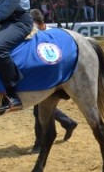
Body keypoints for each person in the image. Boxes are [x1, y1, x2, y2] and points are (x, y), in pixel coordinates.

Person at [29, 9, 78, 153]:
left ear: (41, 24)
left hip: (54, 78)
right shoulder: (36, 35)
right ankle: (68, 123)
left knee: (39, 110)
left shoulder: (51, 36)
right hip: (43, 78)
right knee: (40, 109)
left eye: (33, 25)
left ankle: (39, 143)